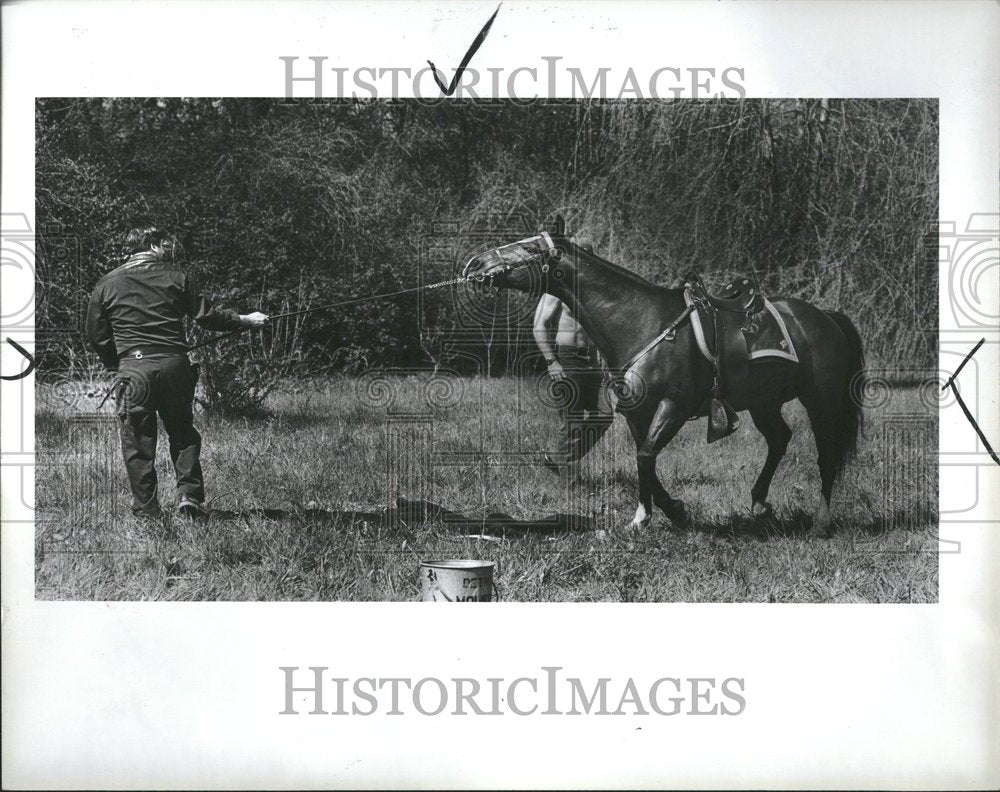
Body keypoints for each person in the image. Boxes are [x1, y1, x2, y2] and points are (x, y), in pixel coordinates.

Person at [86, 227, 268, 520]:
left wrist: (117, 364)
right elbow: (207, 317)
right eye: (166, 244)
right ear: (154, 244)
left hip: (134, 370)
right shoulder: (177, 276)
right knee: (182, 433)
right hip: (175, 366)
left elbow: (96, 336)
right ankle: (190, 498)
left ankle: (147, 512)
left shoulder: (105, 284)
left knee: (137, 443)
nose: (170, 250)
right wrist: (245, 320)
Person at [532, 236, 614, 479]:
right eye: (578, 255)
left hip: (592, 361)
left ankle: (557, 458)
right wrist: (551, 361)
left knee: (605, 414)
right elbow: (539, 326)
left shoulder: (595, 290)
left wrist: (604, 359)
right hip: (567, 359)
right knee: (573, 424)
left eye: (587, 256)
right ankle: (568, 488)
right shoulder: (558, 287)